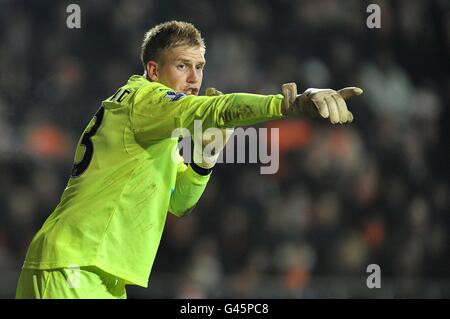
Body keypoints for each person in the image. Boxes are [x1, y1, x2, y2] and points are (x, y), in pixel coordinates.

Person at [15, 20, 363, 299]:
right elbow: (216, 108)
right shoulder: (144, 100)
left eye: (200, 67)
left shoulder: (153, 127)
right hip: (73, 267)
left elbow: (180, 201)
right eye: (182, 66)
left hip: (96, 274)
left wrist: (204, 156)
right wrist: (285, 105)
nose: (195, 79)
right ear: (153, 70)